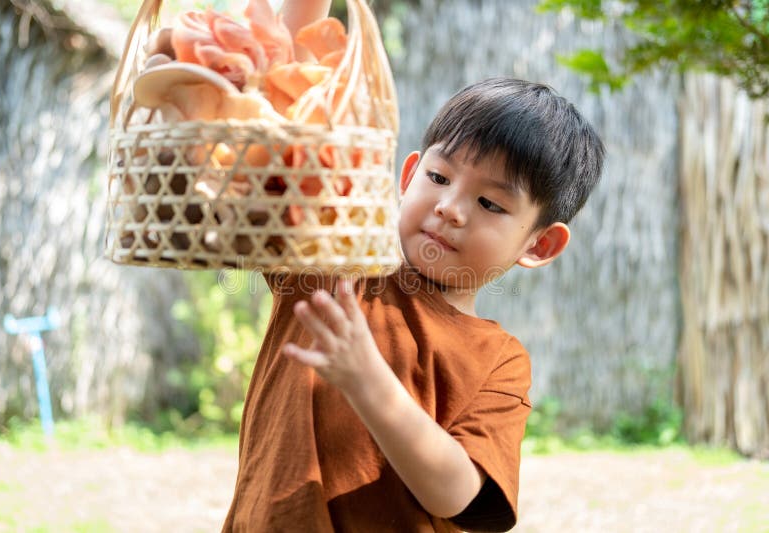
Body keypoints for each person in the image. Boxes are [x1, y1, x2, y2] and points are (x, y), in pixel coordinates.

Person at [221, 3, 605, 532]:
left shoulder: (498, 362)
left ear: (538, 245)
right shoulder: (334, 262)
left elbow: (458, 495)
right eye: (440, 177)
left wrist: (364, 376)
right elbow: (289, 74)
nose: (450, 207)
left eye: (491, 204)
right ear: (409, 176)